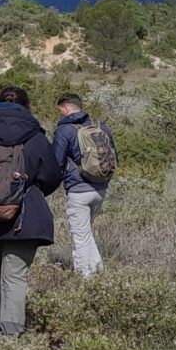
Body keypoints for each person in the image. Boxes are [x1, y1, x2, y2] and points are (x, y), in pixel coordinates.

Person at [0, 86, 60, 335]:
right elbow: (51, 175)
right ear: (27, 108)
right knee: (15, 277)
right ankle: (12, 333)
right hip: (26, 218)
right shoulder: (35, 137)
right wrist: (23, 193)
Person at [51, 93, 118, 277]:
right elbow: (114, 158)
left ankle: (84, 281)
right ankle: (97, 272)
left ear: (64, 108)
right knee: (86, 232)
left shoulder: (64, 130)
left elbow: (56, 162)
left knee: (80, 237)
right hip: (100, 188)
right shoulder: (100, 126)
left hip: (78, 190)